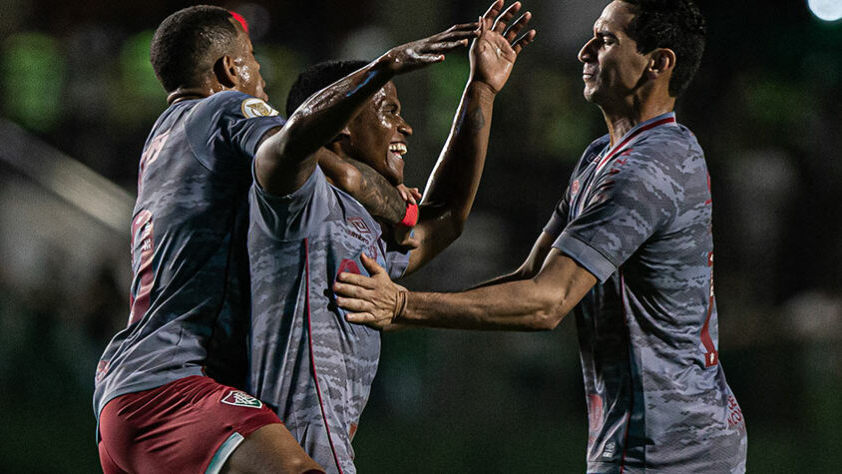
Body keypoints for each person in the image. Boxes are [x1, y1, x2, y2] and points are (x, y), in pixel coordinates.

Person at [334, 1, 748, 472]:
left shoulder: (647, 169)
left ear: (658, 63)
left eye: (606, 40)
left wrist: (404, 306)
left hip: (673, 451)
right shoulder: (604, 157)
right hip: (648, 439)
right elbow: (530, 274)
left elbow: (546, 301)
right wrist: (483, 89)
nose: (584, 51)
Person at [93, 5, 420, 474]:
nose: (262, 79)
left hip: (124, 390)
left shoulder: (161, 138)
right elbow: (309, 156)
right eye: (255, 61)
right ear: (231, 68)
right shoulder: (225, 107)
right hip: (173, 383)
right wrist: (401, 208)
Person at [247, 2, 535, 472]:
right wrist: (384, 66)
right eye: (389, 111)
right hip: (287, 452)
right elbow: (299, 138)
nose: (405, 126)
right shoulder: (298, 199)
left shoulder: (366, 228)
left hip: (328, 450)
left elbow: (445, 219)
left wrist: (481, 88)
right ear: (341, 122)